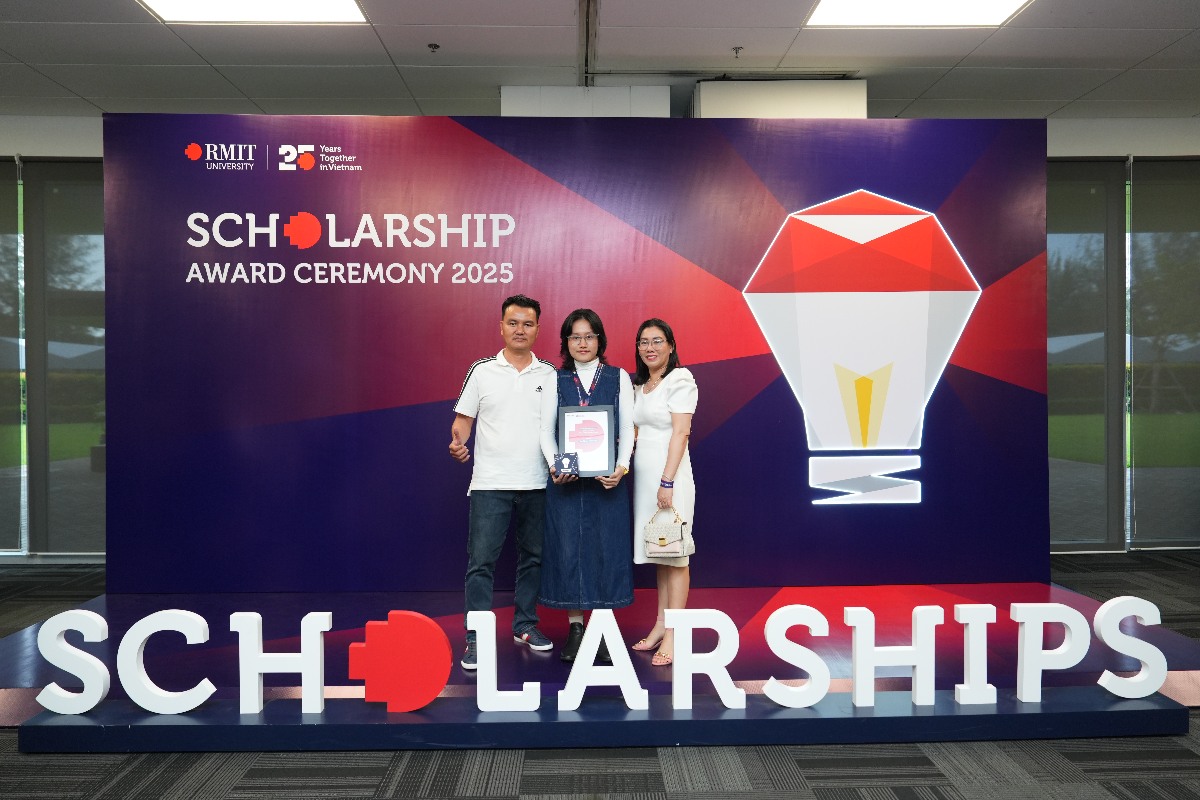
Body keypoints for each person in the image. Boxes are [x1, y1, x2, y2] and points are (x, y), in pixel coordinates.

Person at [449, 294, 557, 670]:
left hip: (538, 482)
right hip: (490, 483)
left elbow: (557, 429)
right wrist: (458, 441)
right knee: (481, 562)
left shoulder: (549, 375)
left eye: (528, 324)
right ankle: (475, 637)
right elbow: (464, 418)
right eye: (513, 323)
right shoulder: (481, 371)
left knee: (534, 558)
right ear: (501, 326)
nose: (520, 330)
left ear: (538, 329)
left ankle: (525, 624)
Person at [538, 309, 635, 663]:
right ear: (566, 342)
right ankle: (576, 630)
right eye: (575, 336)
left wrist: (622, 468)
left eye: (589, 336)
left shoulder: (618, 377)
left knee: (607, 550)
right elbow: (545, 432)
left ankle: (604, 631)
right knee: (568, 550)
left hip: (608, 483)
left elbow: (627, 428)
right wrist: (554, 465)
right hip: (566, 481)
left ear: (600, 340)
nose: (582, 343)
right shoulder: (555, 379)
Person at [629, 318, 697, 667]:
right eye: (643, 342)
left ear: (671, 344)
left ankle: (673, 633)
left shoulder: (680, 380)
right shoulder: (641, 385)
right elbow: (637, 432)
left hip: (670, 480)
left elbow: (680, 433)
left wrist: (667, 481)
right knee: (661, 553)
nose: (650, 348)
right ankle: (659, 625)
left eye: (657, 341)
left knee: (677, 558)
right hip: (645, 482)